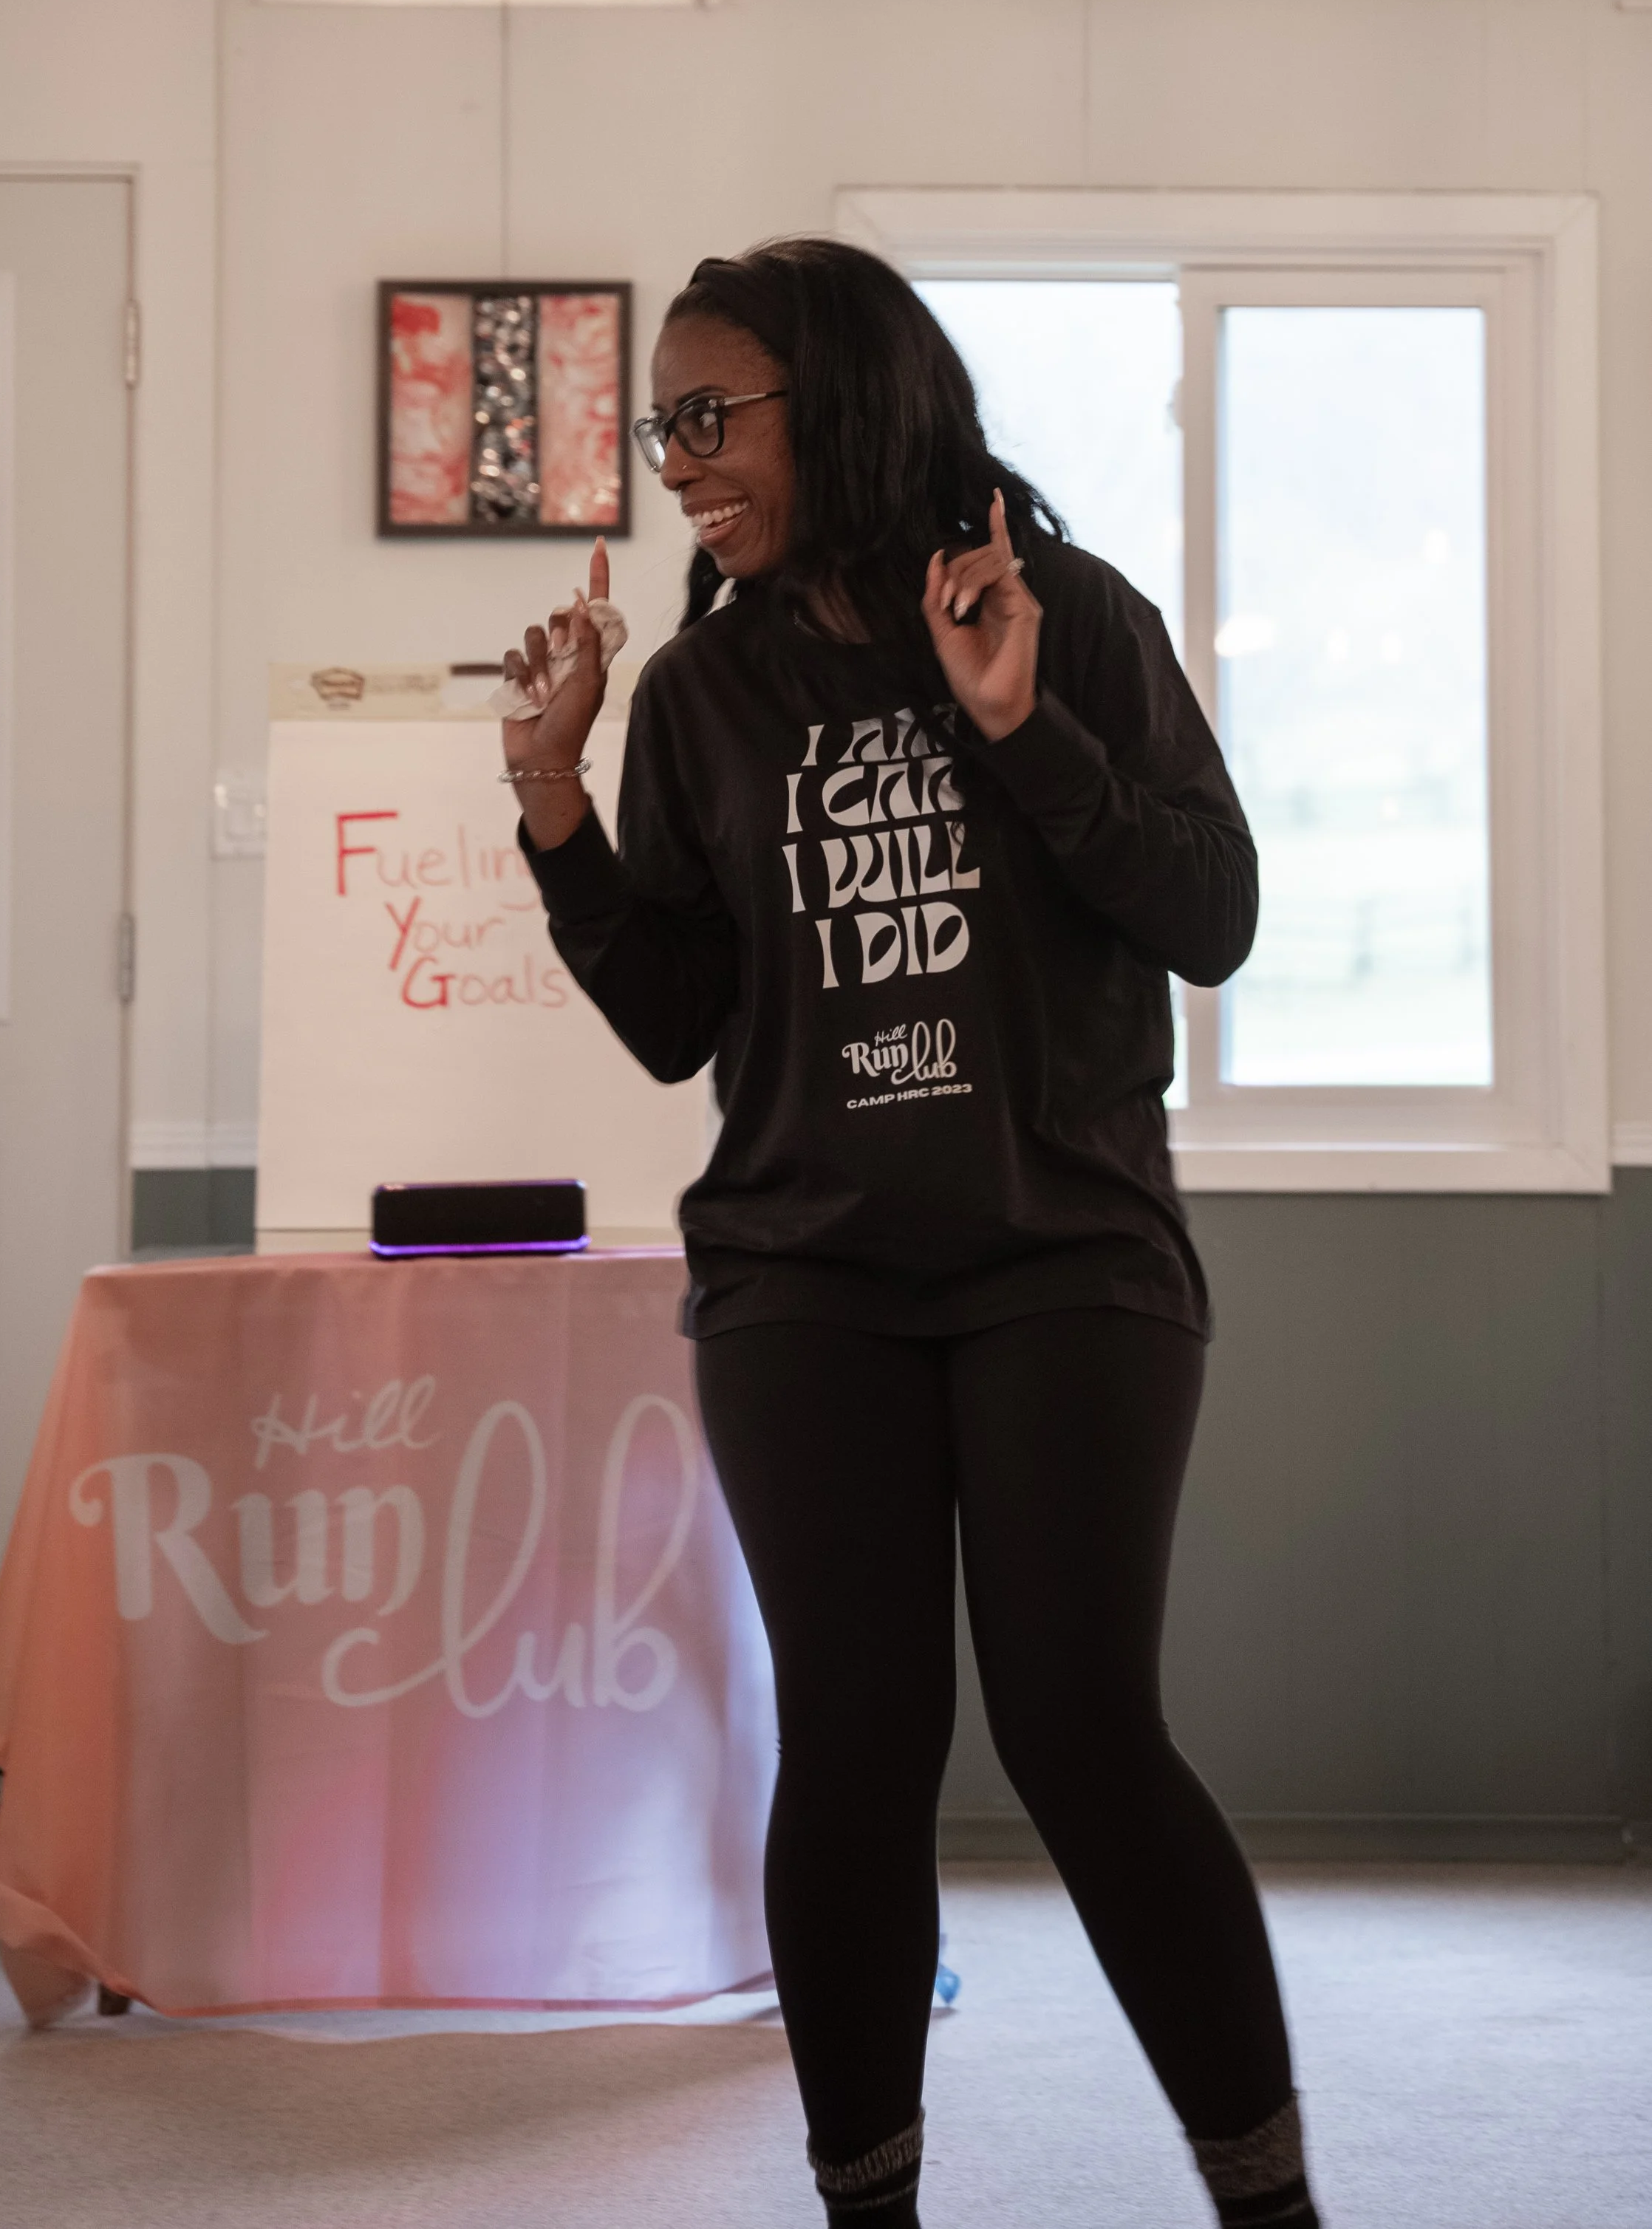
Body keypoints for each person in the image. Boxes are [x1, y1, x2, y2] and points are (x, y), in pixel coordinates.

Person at [499, 238, 1320, 2229]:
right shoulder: (697, 692)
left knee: (1078, 1729)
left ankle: (1269, 2202)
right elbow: (681, 1014)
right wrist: (554, 806)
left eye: (712, 414)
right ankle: (867, 2207)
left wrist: (1022, 725)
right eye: (661, 423)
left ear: (841, 400)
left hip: (1066, 1255)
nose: (676, 458)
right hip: (803, 1277)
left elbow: (1210, 914)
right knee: (855, 1740)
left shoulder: (1071, 619)